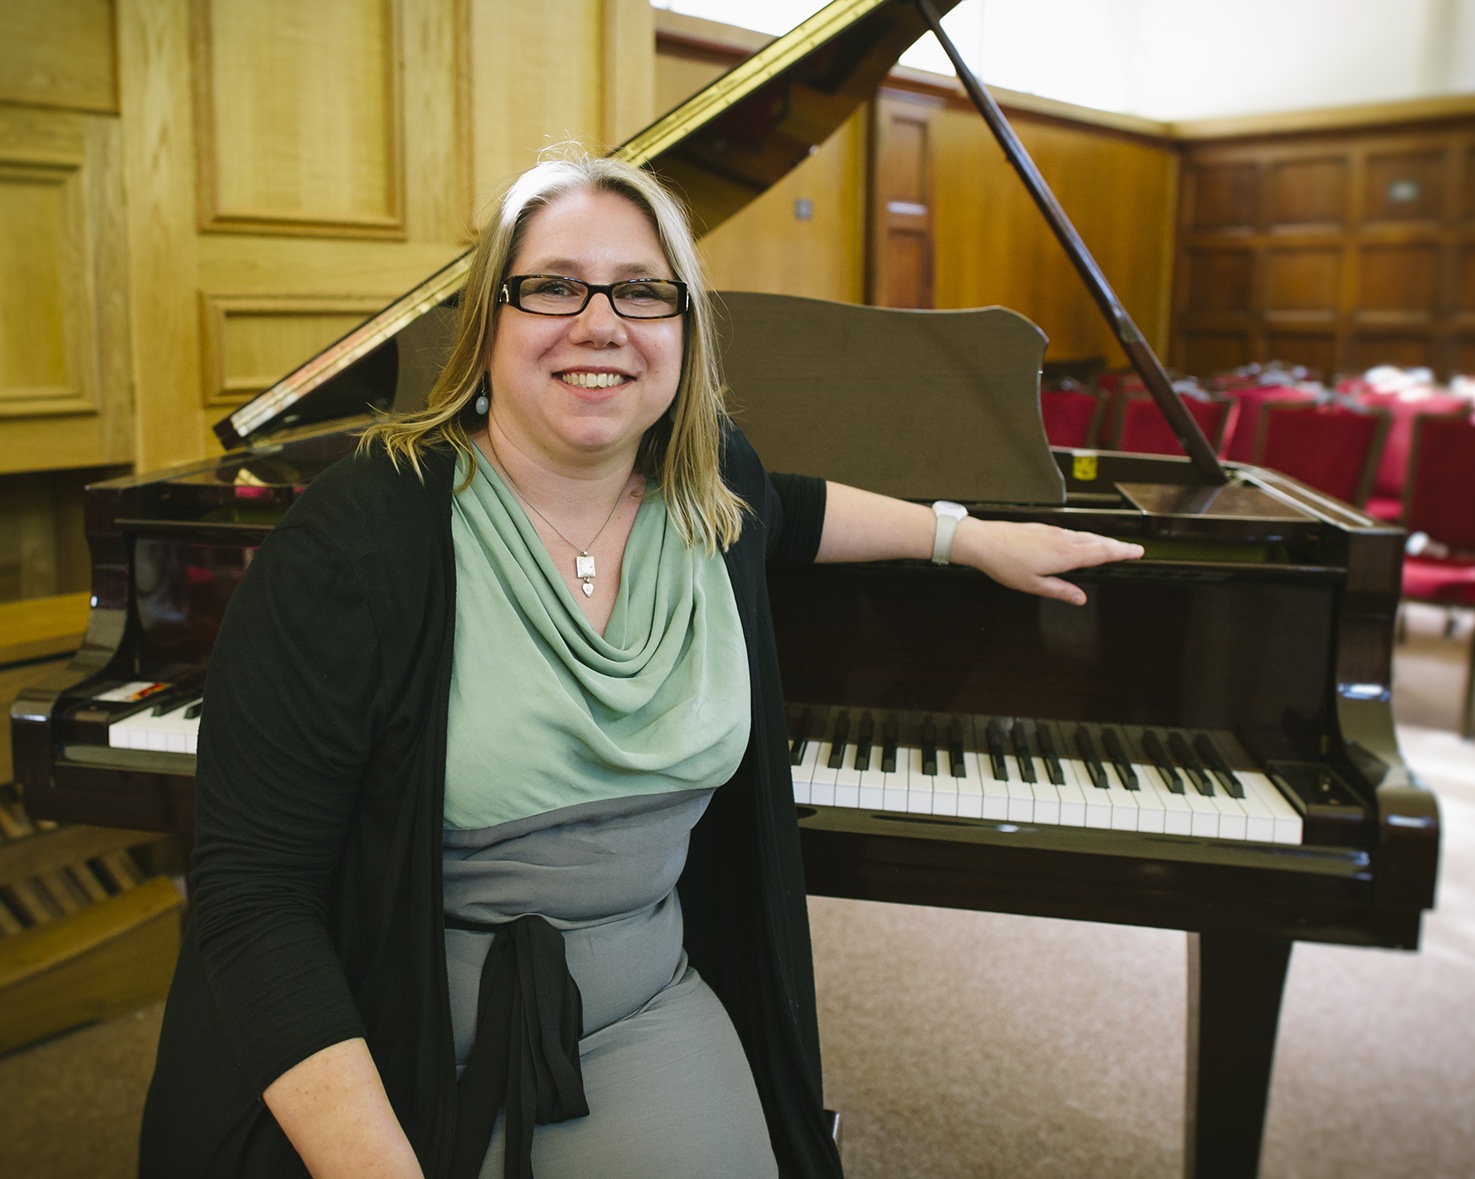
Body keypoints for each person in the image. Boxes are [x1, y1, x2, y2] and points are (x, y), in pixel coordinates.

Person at [139, 150, 1143, 1179]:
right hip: (394, 1026)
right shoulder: (356, 538)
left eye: (641, 291)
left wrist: (965, 536)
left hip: (639, 1011)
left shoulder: (706, 491)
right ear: (487, 320)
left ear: (682, 330)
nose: (600, 322)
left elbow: (795, 508)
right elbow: (253, 899)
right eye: (553, 286)